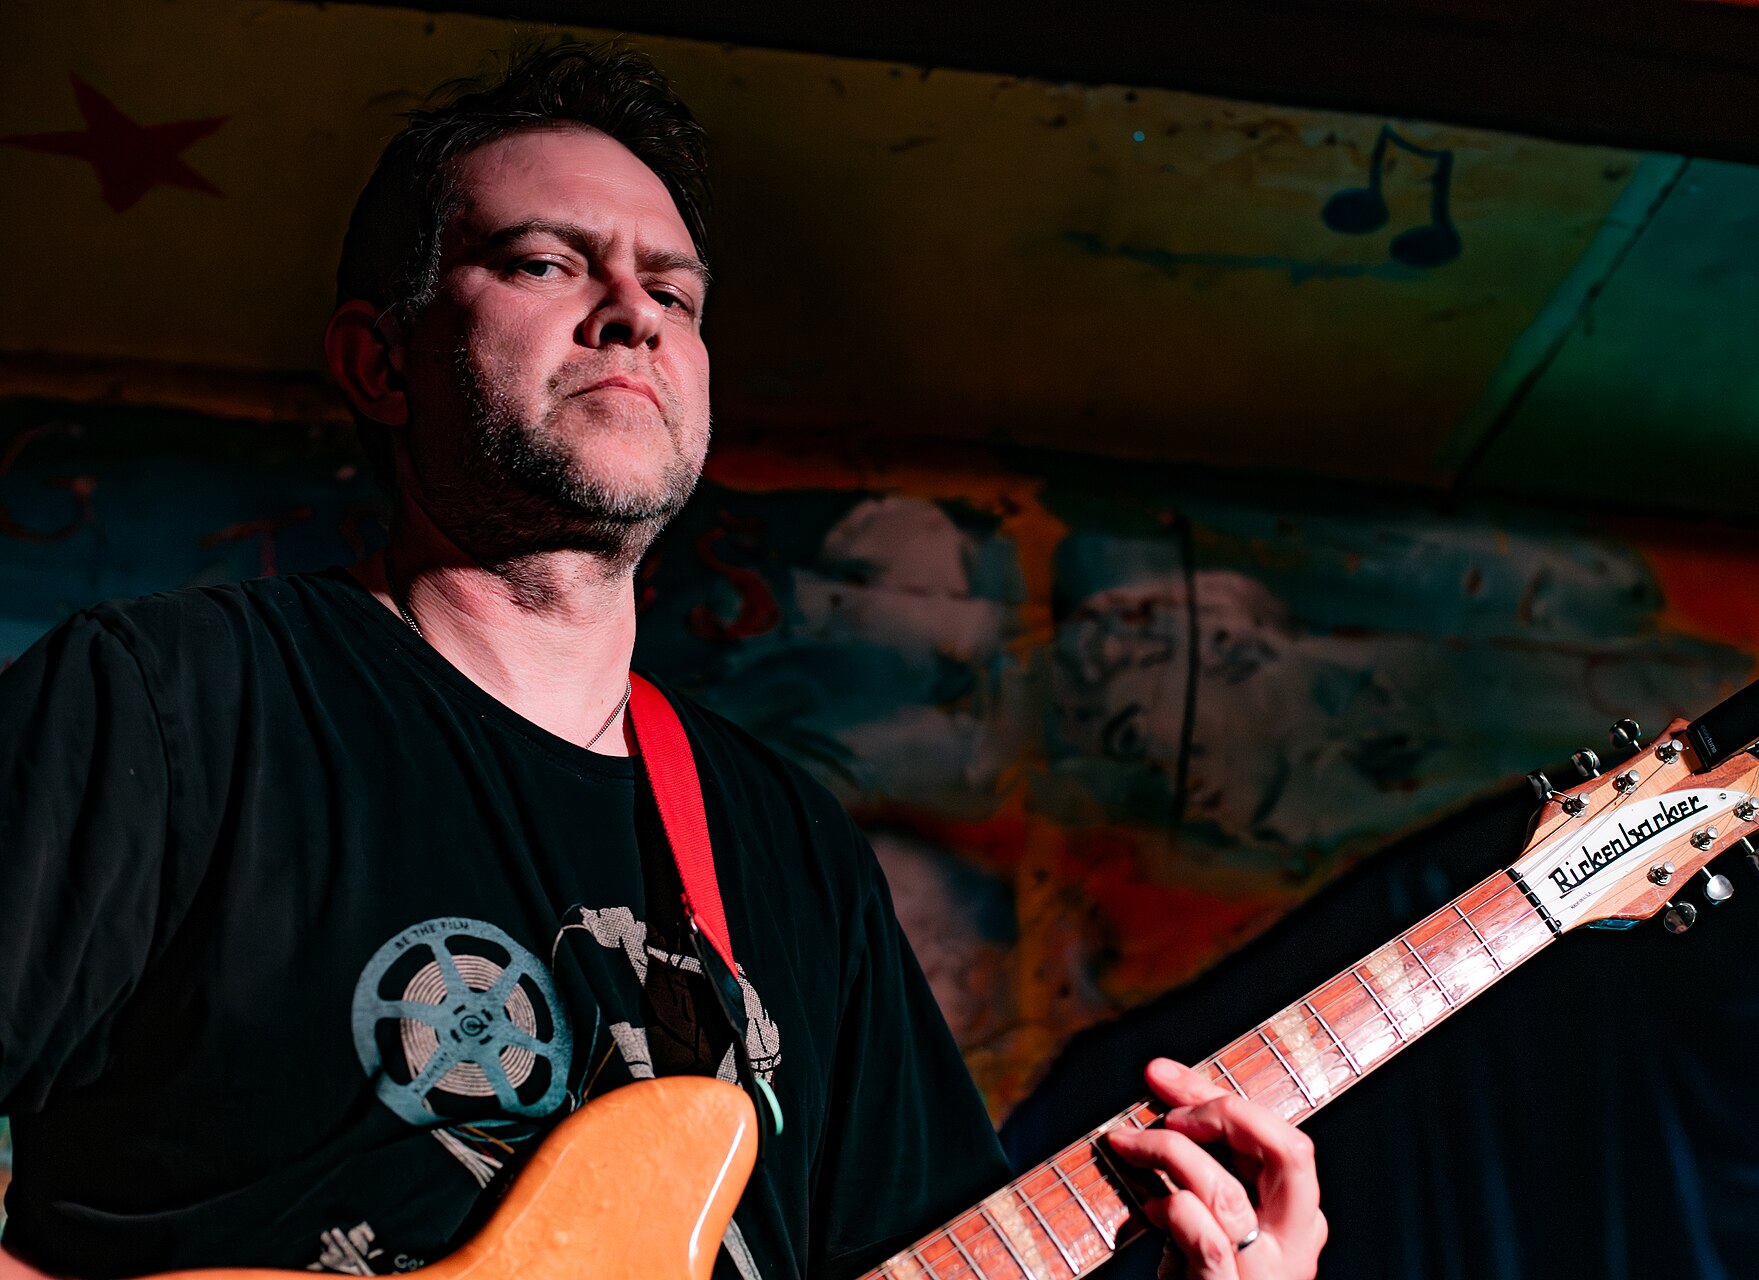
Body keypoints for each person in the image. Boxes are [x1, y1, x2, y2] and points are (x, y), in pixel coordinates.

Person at [0, 42, 1325, 1280]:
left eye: (673, 290)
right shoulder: (173, 703)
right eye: (544, 264)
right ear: (379, 361)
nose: (630, 312)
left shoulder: (784, 849)